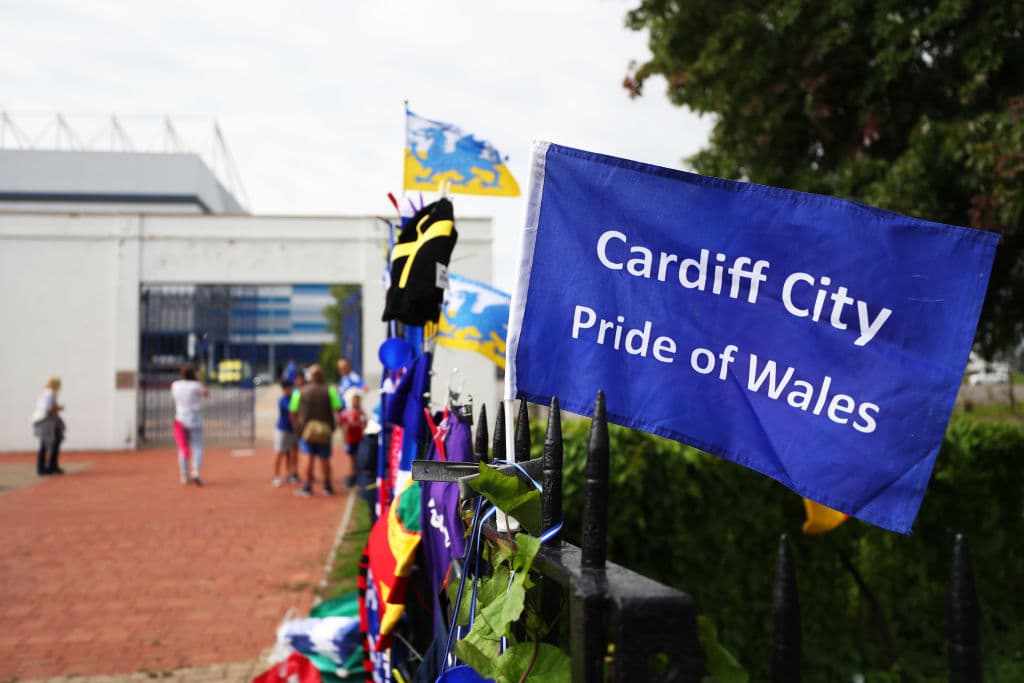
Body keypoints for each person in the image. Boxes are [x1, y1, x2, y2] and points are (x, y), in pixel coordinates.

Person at [290, 364, 341, 497]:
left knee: (309, 458)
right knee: (325, 459)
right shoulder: (330, 390)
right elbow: (338, 408)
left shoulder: (300, 391)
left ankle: (308, 486)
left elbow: (293, 410)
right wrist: (335, 424)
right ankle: (327, 486)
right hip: (325, 430)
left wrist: (297, 426)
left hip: (307, 430)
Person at [171, 363, 209, 486]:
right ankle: (196, 471)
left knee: (183, 447)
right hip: (194, 419)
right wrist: (199, 380)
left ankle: (184, 475)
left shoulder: (175, 385)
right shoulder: (196, 385)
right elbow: (206, 393)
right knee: (197, 446)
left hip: (180, 419)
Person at [32, 376, 65, 476]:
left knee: (50, 443)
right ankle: (45, 467)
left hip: (45, 420)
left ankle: (51, 466)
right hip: (46, 421)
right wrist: (58, 408)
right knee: (46, 444)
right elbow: (48, 410)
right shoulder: (50, 394)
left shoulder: (45, 393)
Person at [338, 388, 368, 487]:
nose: (356, 402)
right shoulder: (346, 413)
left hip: (359, 440)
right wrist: (344, 436)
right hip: (350, 440)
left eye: (357, 399)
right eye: (354, 399)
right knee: (351, 459)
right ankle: (352, 476)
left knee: (359, 458)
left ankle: (358, 476)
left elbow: (365, 424)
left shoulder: (361, 413)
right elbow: (341, 424)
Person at [272, 379, 298, 487]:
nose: (289, 390)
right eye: (287, 388)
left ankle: (290, 473)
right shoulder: (283, 399)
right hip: (282, 430)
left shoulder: (293, 397)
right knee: (280, 452)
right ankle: (276, 475)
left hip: (292, 430)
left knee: (290, 453)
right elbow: (292, 410)